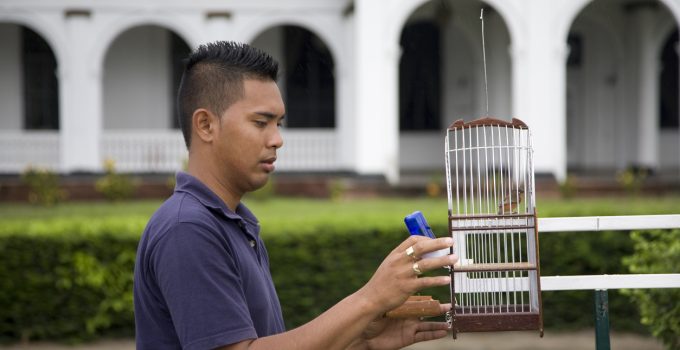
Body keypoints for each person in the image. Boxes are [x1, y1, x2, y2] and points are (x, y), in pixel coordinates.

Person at [133, 41, 458, 350]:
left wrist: (362, 340)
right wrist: (370, 300)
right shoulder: (187, 228)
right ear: (205, 125)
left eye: (279, 124)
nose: (277, 139)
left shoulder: (233, 223)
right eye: (261, 123)